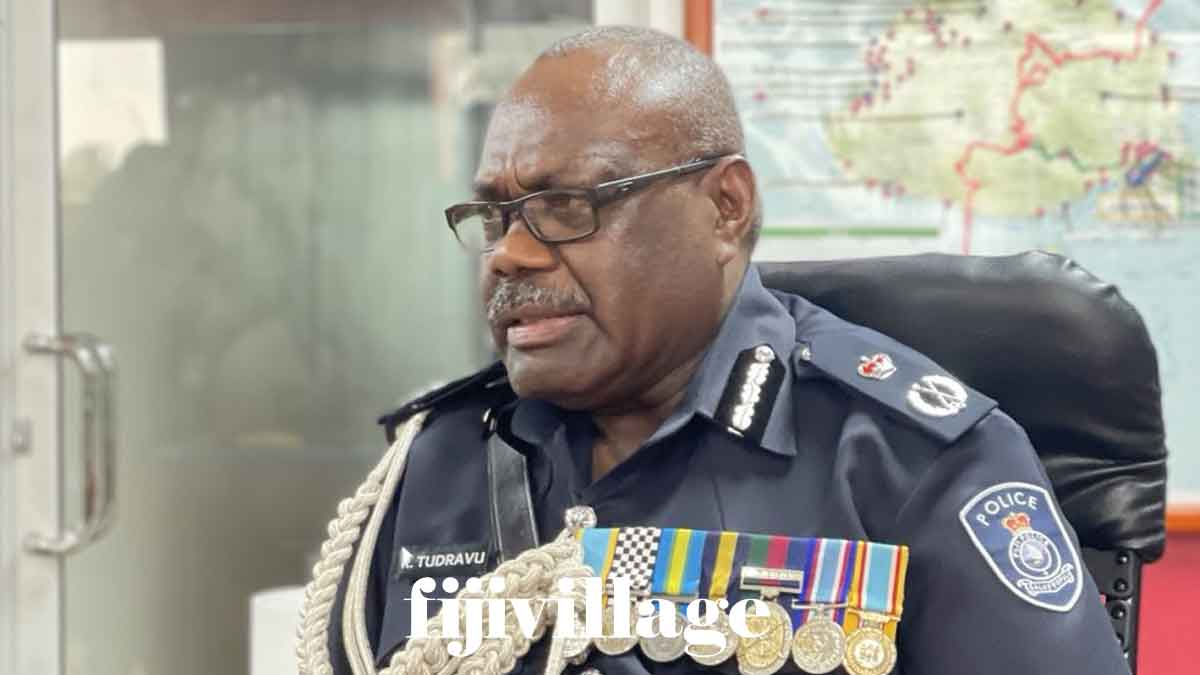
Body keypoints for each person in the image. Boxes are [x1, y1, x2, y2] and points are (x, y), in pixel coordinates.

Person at [296, 26, 1131, 675]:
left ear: (725, 207)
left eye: (567, 207)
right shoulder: (436, 463)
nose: (510, 254)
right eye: (497, 216)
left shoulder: (911, 462)